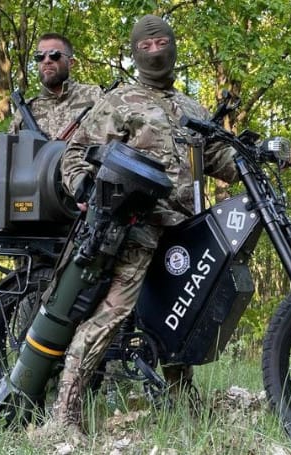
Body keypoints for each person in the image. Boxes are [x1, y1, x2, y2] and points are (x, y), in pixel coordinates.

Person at [53, 14, 240, 432]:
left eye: (162, 43)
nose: (155, 51)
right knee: (116, 311)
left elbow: (215, 159)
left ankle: (180, 397)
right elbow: (75, 152)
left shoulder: (193, 107)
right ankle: (66, 408)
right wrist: (83, 188)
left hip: (188, 227)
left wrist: (250, 160)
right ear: (135, 52)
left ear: (174, 46)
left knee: (184, 310)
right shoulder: (119, 101)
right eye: (146, 45)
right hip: (137, 227)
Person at [8, 32, 102, 139]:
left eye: (54, 55)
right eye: (40, 56)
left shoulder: (95, 96)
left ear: (71, 63)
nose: (47, 60)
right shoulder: (25, 111)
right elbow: (9, 151)